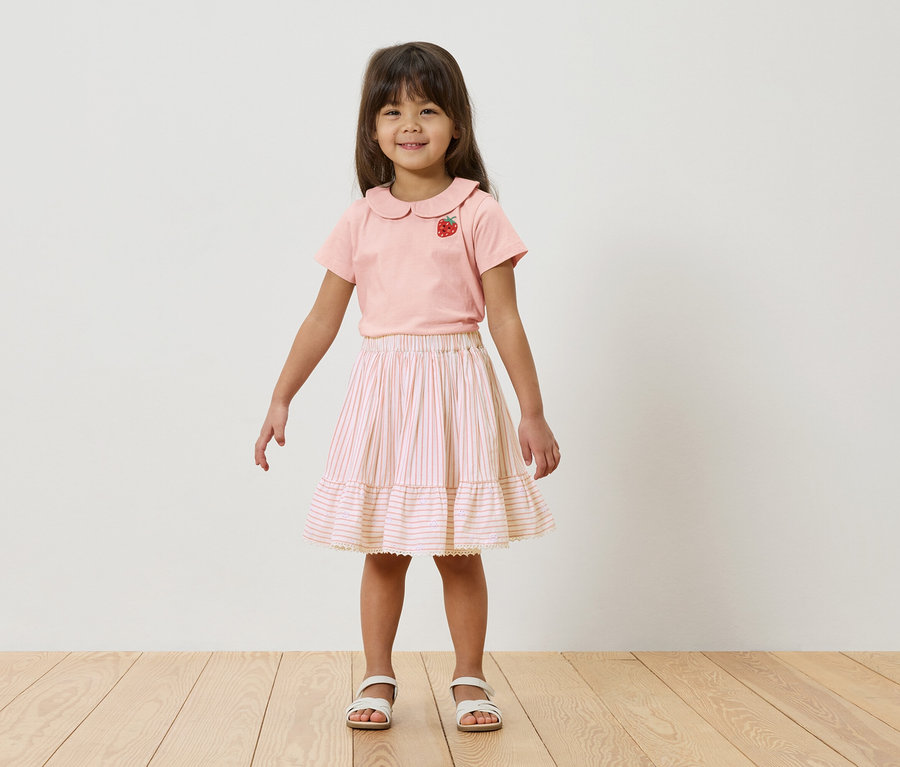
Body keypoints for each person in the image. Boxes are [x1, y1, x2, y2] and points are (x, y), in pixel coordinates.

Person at [254, 41, 560, 733]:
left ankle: (470, 675)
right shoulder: (360, 218)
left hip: (455, 386)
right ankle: (377, 673)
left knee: (459, 547)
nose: (410, 123)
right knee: (383, 546)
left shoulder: (477, 212)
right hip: (385, 391)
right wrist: (281, 396)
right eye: (393, 111)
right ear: (372, 129)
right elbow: (322, 317)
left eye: (427, 108)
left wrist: (531, 411)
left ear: (456, 124)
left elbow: (505, 318)